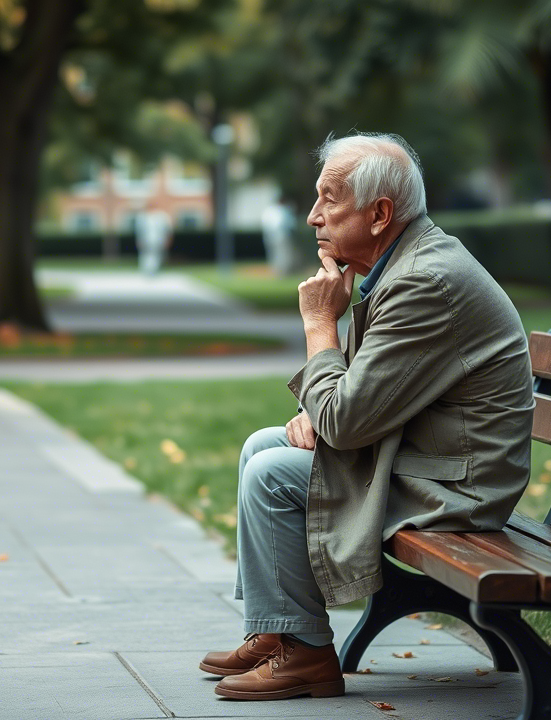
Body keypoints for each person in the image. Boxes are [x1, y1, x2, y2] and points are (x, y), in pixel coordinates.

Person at [199, 132, 534, 701]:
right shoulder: (403, 265)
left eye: (329, 200)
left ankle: (306, 654)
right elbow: (352, 400)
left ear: (379, 215)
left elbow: (345, 421)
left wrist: (318, 325)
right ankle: (277, 628)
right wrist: (317, 411)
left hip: (460, 488)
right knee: (262, 446)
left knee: (271, 475)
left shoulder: (424, 280)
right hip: (425, 459)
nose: (312, 217)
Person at [135, 201, 172, 275]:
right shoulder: (142, 217)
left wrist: (167, 240)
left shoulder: (161, 216)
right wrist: (139, 240)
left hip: (158, 239)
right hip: (146, 239)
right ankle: (146, 270)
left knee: (156, 255)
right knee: (145, 255)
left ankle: (154, 270)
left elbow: (166, 229)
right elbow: (139, 231)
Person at [260, 201, 296, 276]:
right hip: (280, 235)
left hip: (272, 235)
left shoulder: (270, 211)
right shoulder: (282, 210)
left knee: (277, 254)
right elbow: (286, 223)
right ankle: (281, 271)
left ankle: (280, 270)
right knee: (281, 254)